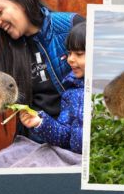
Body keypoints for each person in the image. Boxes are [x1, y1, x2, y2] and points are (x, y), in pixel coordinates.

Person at [0, 0, 85, 143]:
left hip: (75, 139)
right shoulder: (8, 51)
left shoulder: (70, 25)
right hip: (35, 141)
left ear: (22, 0)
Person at [19, 22, 86, 154]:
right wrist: (40, 123)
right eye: (69, 53)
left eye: (78, 54)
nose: (70, 59)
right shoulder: (70, 92)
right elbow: (65, 136)